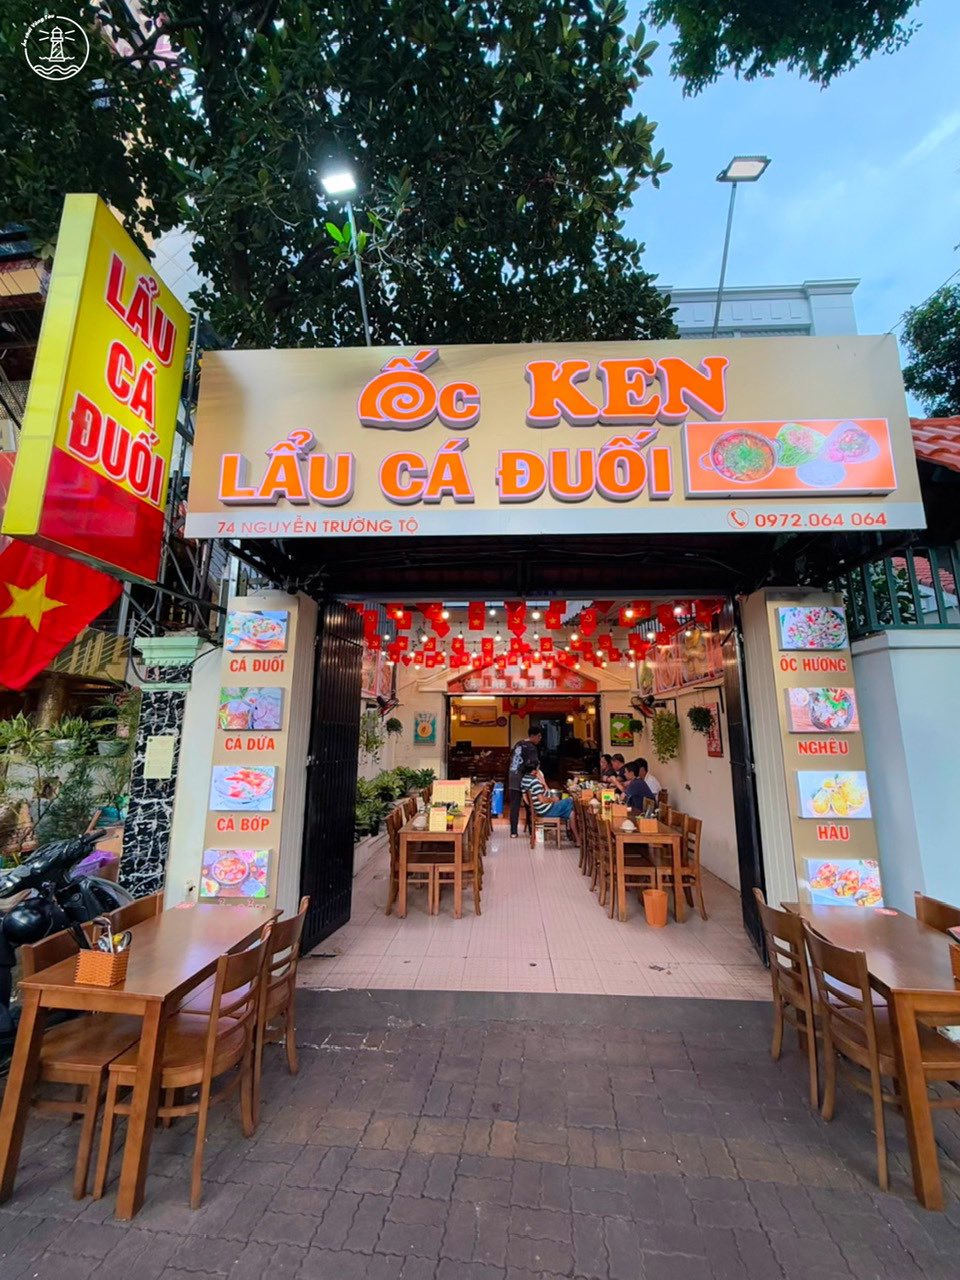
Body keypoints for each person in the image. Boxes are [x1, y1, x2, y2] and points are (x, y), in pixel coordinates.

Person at [521, 769, 578, 842]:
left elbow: (525, 798)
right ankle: (572, 833)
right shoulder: (535, 783)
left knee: (571, 813)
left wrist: (532, 807)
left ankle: (577, 839)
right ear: (534, 771)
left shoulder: (525, 779)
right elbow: (542, 800)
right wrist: (553, 799)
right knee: (571, 800)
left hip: (543, 809)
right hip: (547, 810)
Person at [508, 726, 543, 838]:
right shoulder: (531, 747)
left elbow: (511, 759)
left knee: (514, 805)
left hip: (512, 777)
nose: (540, 739)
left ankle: (513, 832)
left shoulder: (518, 744)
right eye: (539, 736)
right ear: (533, 736)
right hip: (524, 779)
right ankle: (532, 830)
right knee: (529, 804)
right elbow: (532, 764)